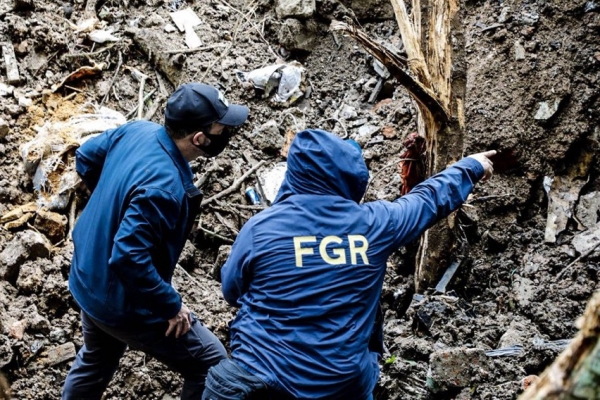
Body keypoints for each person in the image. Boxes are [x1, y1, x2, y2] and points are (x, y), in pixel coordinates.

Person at [203, 129, 496, 400]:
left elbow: (231, 292)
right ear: (351, 178)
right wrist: (469, 166)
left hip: (264, 379)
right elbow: (428, 200)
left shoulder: (262, 229)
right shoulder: (375, 223)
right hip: (342, 385)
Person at [62, 83, 249, 400]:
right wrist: (171, 306)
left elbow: (86, 156)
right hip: (119, 301)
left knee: (96, 359)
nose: (227, 133)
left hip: (85, 276)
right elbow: (127, 257)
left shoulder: (137, 131)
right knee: (210, 363)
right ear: (199, 139)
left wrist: (110, 204)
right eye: (222, 128)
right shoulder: (164, 186)